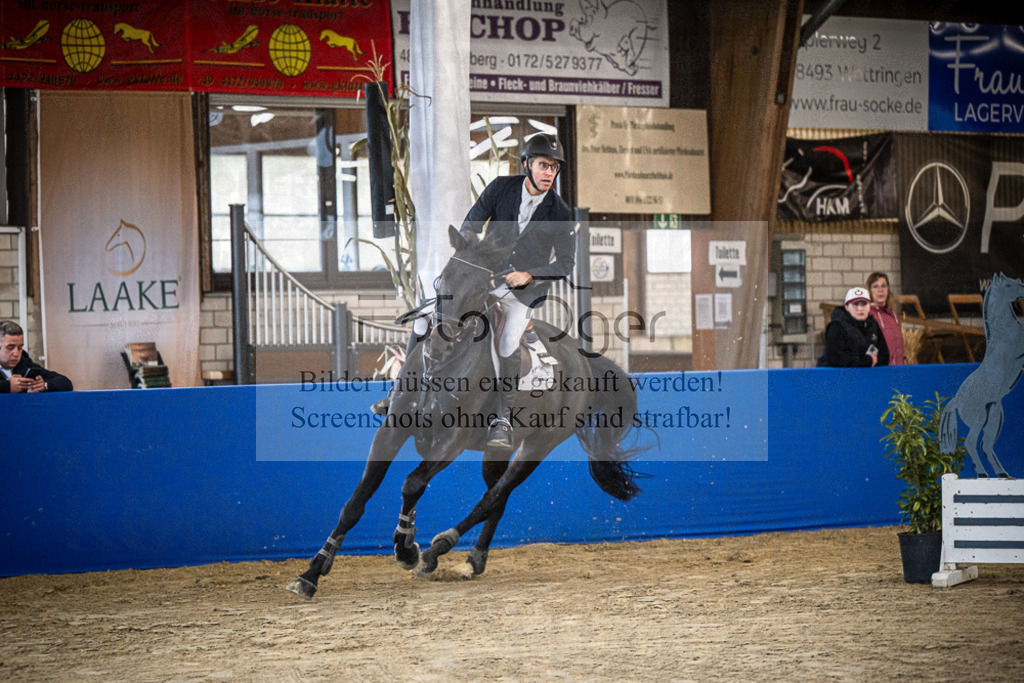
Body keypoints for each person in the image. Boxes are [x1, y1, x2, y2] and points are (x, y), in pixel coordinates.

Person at [459, 133, 576, 450]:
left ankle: (502, 419)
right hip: (487, 279)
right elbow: (470, 225)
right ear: (526, 164)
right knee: (440, 315)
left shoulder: (560, 211)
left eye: (553, 167)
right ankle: (405, 393)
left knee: (508, 340)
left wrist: (530, 274)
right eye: (542, 165)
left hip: (524, 293)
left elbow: (566, 263)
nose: (549, 173)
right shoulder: (500, 189)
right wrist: (472, 255)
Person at [817, 287, 890, 368]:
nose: (860, 308)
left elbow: (885, 356)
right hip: (837, 378)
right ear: (847, 307)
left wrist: (872, 362)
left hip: (865, 377)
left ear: (869, 306)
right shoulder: (837, 326)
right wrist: (868, 361)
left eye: (864, 304)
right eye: (855, 304)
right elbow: (835, 359)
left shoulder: (872, 324)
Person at [0, 320, 73, 393]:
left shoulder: (25, 364)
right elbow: (8, 386)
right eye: (10, 347)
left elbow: (66, 383)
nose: (16, 353)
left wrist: (44, 385)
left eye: (20, 348)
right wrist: (7, 386)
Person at [866, 271, 906, 365]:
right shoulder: (868, 315)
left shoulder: (893, 315)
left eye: (883, 286)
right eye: (875, 286)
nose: (880, 290)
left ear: (888, 290)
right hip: (880, 370)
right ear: (870, 291)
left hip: (898, 369)